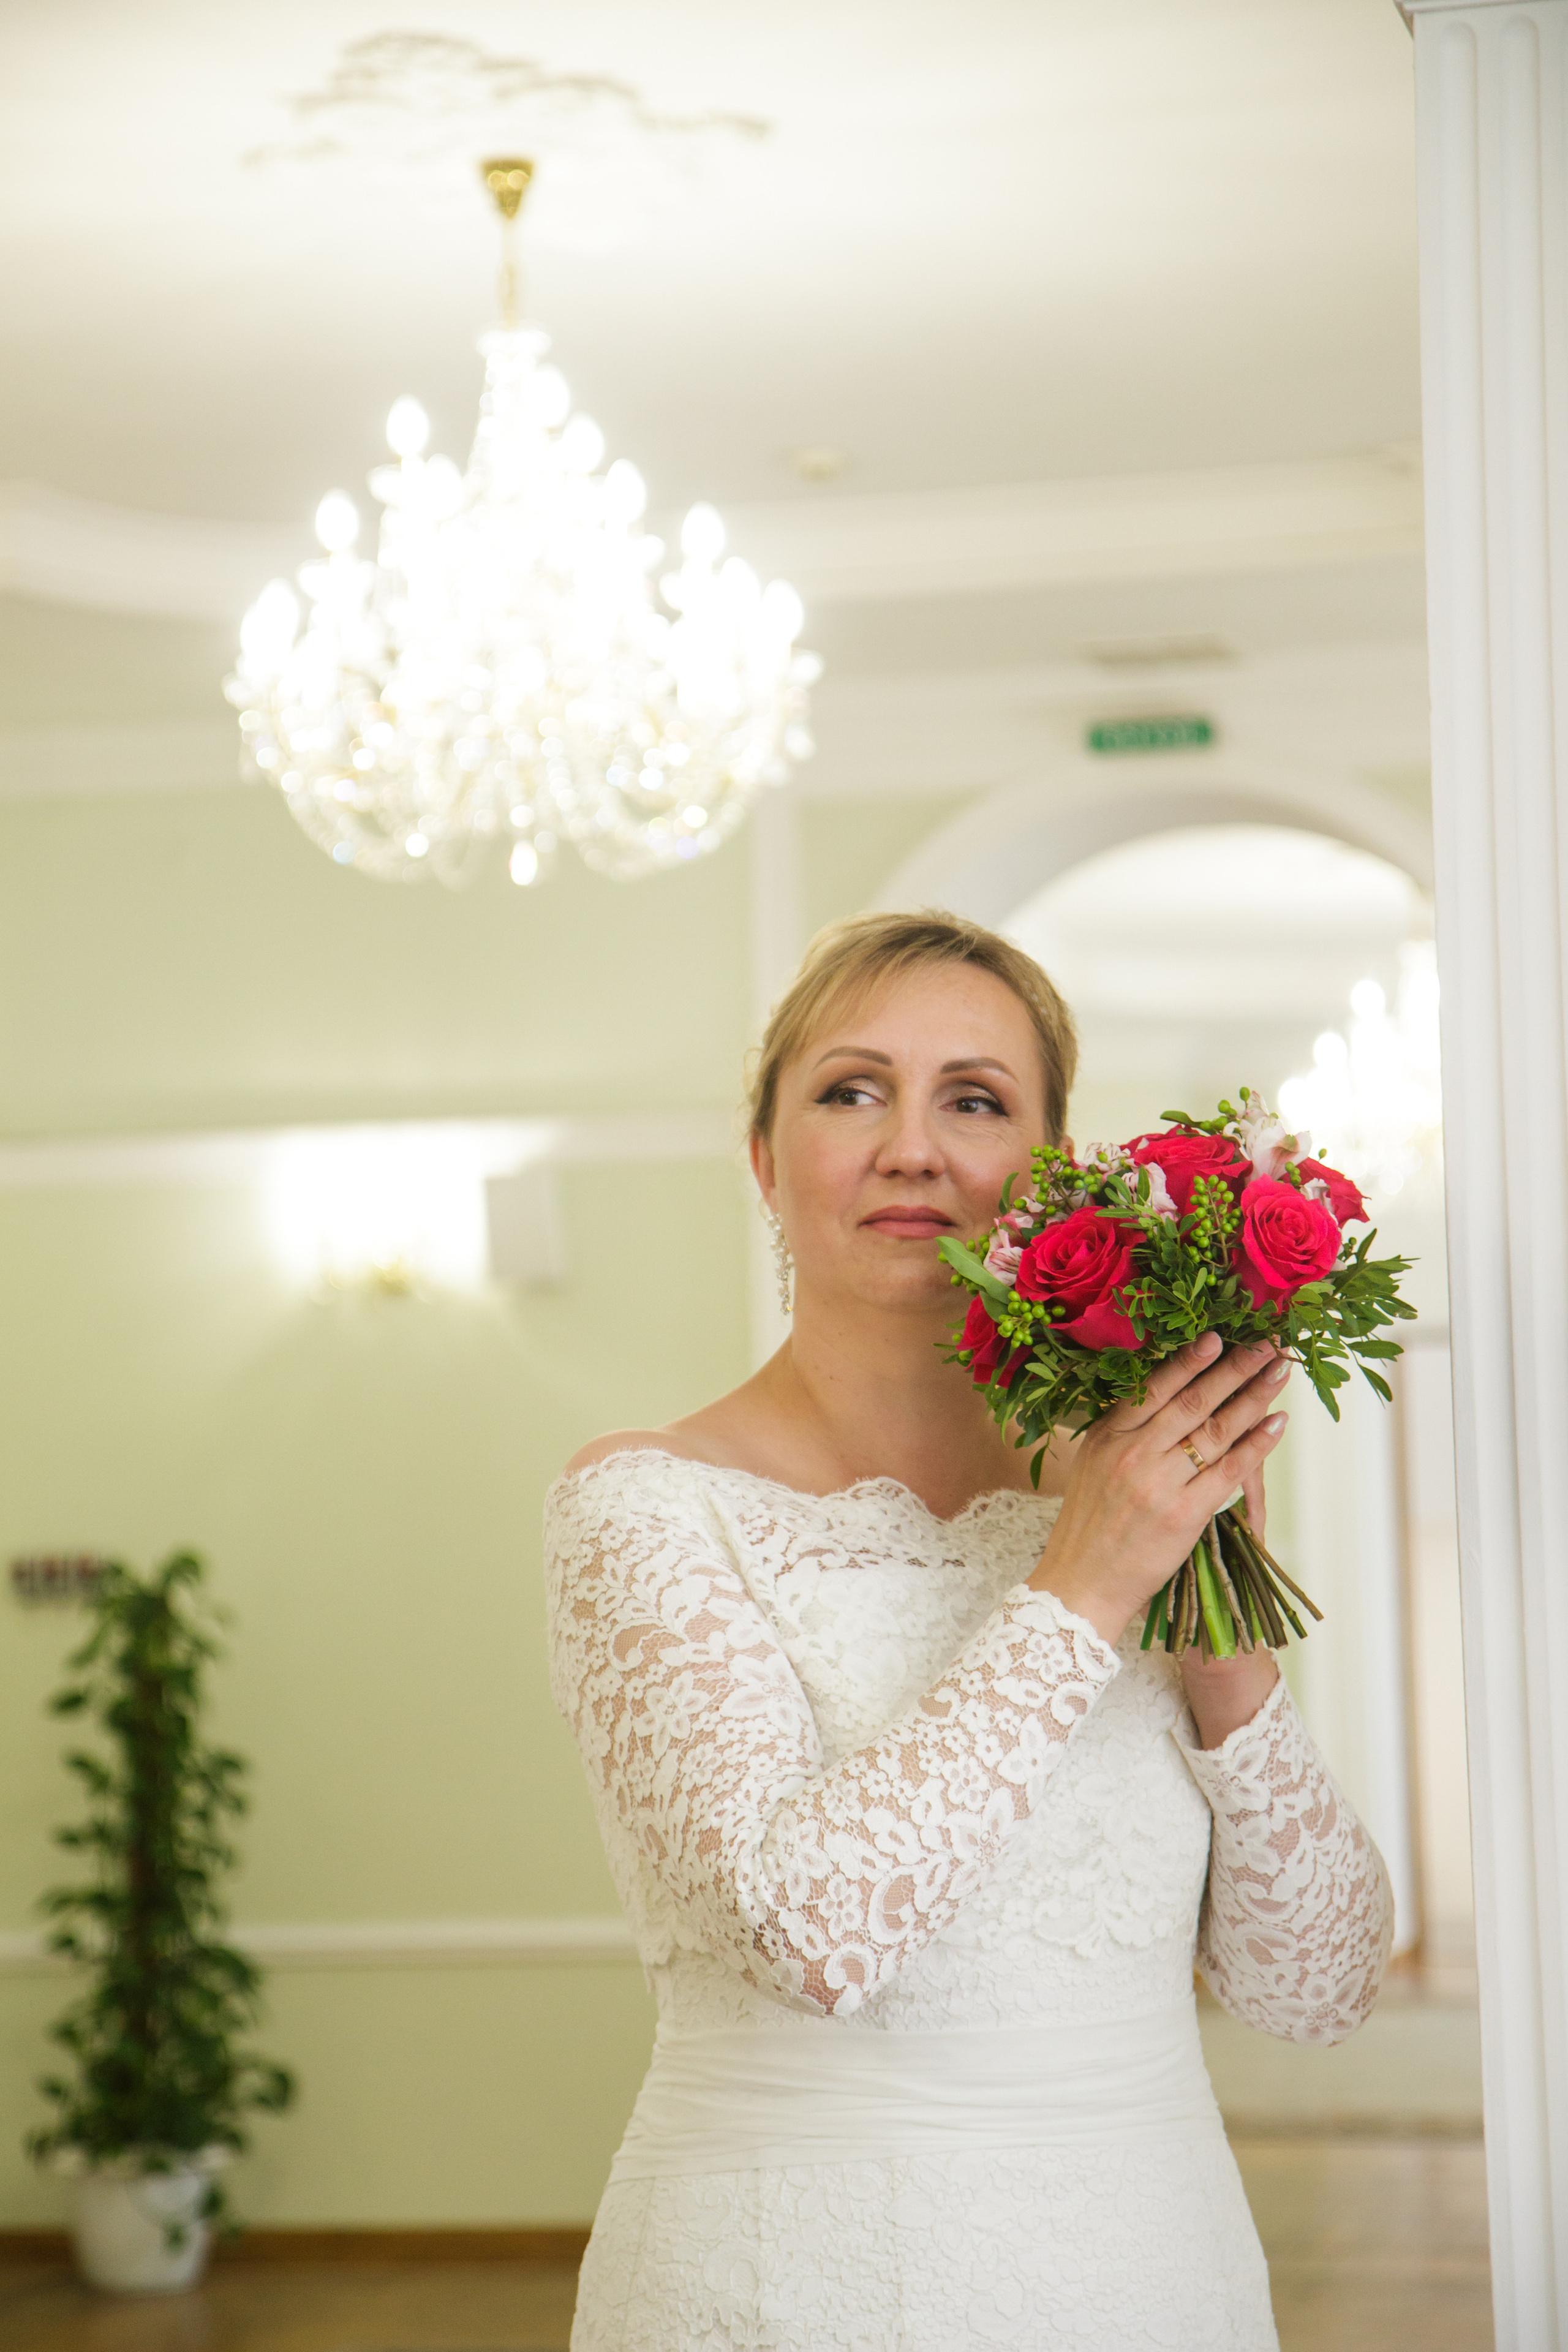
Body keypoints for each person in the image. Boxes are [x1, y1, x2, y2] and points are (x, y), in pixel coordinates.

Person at [545, 908, 1393, 2352]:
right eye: (850, 1090)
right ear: (764, 1156)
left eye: (974, 1100)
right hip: (785, 2287)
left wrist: (1212, 1615)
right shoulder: (642, 1507)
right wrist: (1086, 1582)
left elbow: (1315, 1985)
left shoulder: (1134, 1499)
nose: (910, 1148)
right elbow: (810, 1936)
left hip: (1156, 2274)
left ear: (1048, 1175)